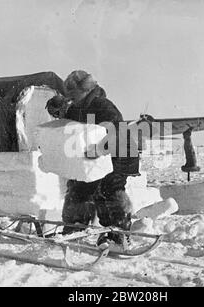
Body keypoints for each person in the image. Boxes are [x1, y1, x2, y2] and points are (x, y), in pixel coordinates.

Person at [46, 70, 140, 246]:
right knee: (78, 187)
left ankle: (118, 230)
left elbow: (114, 132)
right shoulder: (77, 107)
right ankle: (75, 225)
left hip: (118, 155)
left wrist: (97, 151)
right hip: (92, 157)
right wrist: (55, 108)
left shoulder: (103, 106)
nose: (70, 97)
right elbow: (66, 123)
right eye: (69, 94)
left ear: (85, 90)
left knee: (108, 188)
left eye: (73, 93)